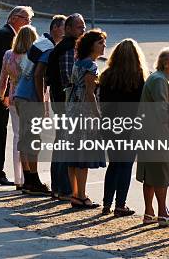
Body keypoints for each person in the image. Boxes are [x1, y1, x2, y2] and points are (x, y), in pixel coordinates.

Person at [0, 6, 34, 186]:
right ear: (14, 18)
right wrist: (1, 94)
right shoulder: (7, 36)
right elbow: (3, 69)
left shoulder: (3, 34)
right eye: (26, 19)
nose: (28, 22)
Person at [14, 16, 67, 195]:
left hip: (21, 94)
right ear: (55, 28)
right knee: (33, 139)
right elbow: (38, 75)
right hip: (29, 97)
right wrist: (40, 99)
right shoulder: (49, 47)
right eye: (63, 27)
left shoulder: (41, 41)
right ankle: (32, 180)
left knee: (26, 137)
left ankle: (29, 178)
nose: (66, 31)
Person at [99, 39, 148, 216]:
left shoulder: (107, 75)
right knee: (125, 165)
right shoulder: (139, 76)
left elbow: (102, 102)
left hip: (110, 125)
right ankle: (120, 204)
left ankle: (106, 203)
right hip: (130, 125)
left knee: (113, 164)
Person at [136, 47, 169, 227]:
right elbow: (163, 109)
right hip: (158, 135)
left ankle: (150, 212)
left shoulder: (162, 79)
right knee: (161, 175)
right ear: (165, 62)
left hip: (149, 134)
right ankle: (163, 213)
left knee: (150, 175)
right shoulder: (160, 81)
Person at [64, 29, 107, 208]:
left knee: (73, 154)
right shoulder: (91, 66)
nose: (103, 46)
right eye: (100, 43)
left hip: (72, 109)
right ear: (91, 46)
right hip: (84, 112)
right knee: (83, 155)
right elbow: (90, 93)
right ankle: (81, 195)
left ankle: (75, 193)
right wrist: (97, 115)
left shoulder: (78, 62)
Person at [46, 13, 85, 200]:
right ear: (68, 29)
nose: (83, 29)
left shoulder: (66, 46)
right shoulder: (68, 48)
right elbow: (70, 79)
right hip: (66, 104)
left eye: (83, 26)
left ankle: (60, 187)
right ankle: (64, 188)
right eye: (79, 26)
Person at [0, 25, 38, 190]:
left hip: (14, 99)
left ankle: (18, 178)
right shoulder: (35, 57)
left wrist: (1, 95)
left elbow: (3, 78)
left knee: (17, 137)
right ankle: (30, 174)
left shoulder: (9, 55)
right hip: (31, 99)